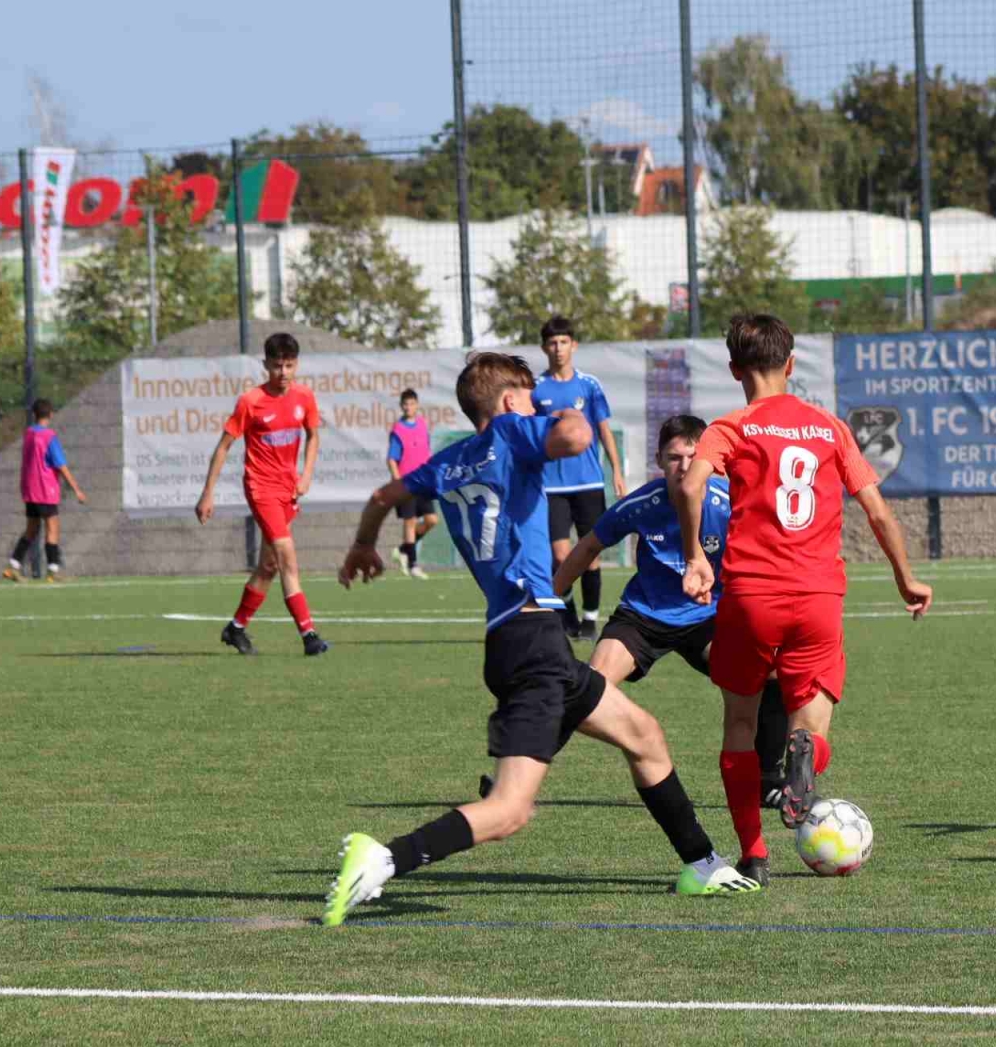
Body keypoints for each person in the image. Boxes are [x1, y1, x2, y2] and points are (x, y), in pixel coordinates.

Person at [324, 353, 758, 925]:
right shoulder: (511, 431)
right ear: (509, 403)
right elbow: (576, 435)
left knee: (644, 734)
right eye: (529, 399)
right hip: (532, 642)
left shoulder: (450, 460)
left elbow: (384, 497)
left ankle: (701, 864)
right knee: (508, 811)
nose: (536, 408)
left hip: (527, 638)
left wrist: (363, 545)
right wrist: (561, 412)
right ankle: (384, 858)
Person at [675, 313, 933, 883]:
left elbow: (692, 484)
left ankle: (754, 854)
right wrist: (905, 578)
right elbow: (876, 510)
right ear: (790, 365)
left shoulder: (731, 426)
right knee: (811, 726)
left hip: (750, 595)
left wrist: (695, 557)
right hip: (817, 595)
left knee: (740, 725)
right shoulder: (829, 428)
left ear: (735, 369)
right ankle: (804, 756)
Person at [550, 414, 793, 881]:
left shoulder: (729, 502)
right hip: (644, 617)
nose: (682, 466)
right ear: (659, 461)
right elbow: (586, 549)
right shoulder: (642, 503)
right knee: (588, 686)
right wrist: (548, 602)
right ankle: (518, 775)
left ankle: (771, 779)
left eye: (691, 457)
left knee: (772, 676)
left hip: (710, 620)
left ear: (709, 461)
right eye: (672, 457)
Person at [195, 332, 328, 657]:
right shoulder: (250, 401)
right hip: (260, 488)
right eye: (277, 366)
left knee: (268, 565)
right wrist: (207, 493)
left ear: (297, 365)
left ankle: (236, 628)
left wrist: (306, 474)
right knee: (287, 556)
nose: (283, 372)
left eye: (289, 365)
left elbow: (313, 436)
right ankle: (309, 635)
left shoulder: (304, 397)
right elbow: (223, 447)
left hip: (288, 490)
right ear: (266, 365)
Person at [534, 315, 625, 639]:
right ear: (544, 348)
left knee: (590, 553)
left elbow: (604, 430)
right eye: (552, 343)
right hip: (551, 485)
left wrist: (616, 470)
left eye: (563, 342)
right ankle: (568, 612)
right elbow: (530, 433)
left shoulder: (589, 385)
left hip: (588, 482)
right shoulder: (536, 389)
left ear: (573, 345)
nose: (558, 348)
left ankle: (589, 619)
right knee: (560, 555)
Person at [4, 398, 86, 582]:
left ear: (34, 414)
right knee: (52, 527)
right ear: (51, 415)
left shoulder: (28, 434)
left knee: (31, 528)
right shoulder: (49, 437)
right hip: (45, 489)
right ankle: (53, 570)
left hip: (29, 488)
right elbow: (60, 465)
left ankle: (13, 566)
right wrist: (76, 489)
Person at [386, 388, 440, 579]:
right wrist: (397, 481)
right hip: (407, 483)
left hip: (423, 482)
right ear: (401, 406)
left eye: (412, 403)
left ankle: (403, 550)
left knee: (432, 520)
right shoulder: (398, 430)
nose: (408, 407)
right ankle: (413, 564)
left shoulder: (422, 425)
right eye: (405, 404)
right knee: (410, 522)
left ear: (417, 405)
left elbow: (426, 452)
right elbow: (391, 459)